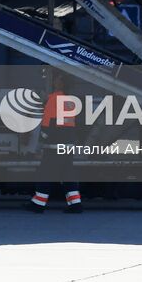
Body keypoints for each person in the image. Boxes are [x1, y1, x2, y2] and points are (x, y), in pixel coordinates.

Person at [28, 71, 83, 214]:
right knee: (68, 175)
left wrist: (40, 143)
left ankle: (38, 204)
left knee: (44, 174)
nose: (54, 82)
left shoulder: (53, 99)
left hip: (54, 145)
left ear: (61, 83)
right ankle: (75, 204)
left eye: (57, 80)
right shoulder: (71, 100)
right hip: (68, 144)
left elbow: (47, 125)